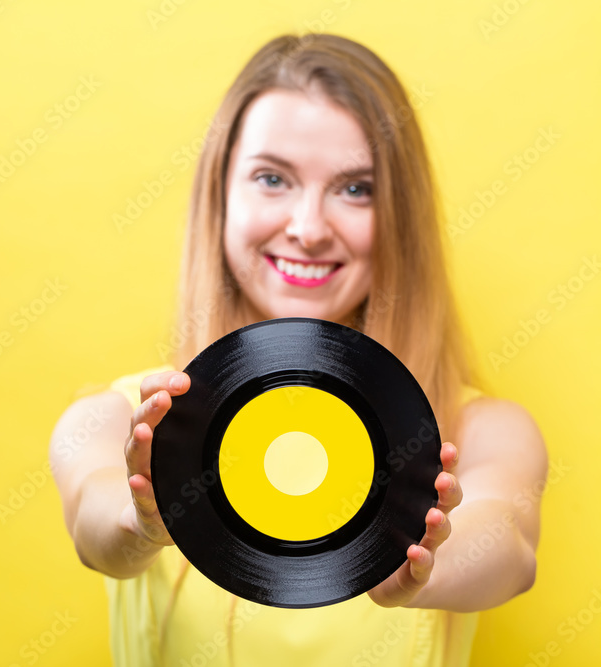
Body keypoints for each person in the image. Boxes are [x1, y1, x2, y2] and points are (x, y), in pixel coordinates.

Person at [49, 33, 547, 666]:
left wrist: (424, 566)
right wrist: (140, 520)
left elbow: (509, 543)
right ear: (220, 195)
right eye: (271, 178)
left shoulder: (484, 429)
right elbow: (95, 524)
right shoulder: (114, 419)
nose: (309, 229)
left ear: (401, 213)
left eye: (356, 188)